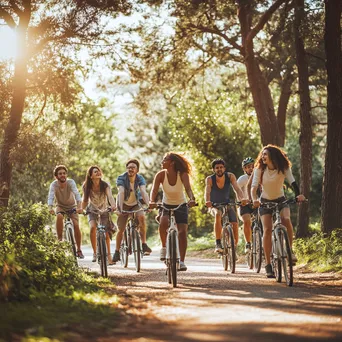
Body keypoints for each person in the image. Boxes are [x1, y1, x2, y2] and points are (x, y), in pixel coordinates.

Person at [251, 144, 306, 278]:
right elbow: (254, 187)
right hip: (264, 201)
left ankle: (290, 251)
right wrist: (254, 200)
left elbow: (293, 182)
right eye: (262, 154)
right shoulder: (260, 169)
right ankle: (268, 264)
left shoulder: (283, 167)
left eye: (265, 154)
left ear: (273, 156)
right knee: (268, 229)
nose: (263, 156)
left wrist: (298, 195)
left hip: (281, 200)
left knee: (286, 219)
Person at [149, 152, 196, 271]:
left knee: (182, 232)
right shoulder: (160, 175)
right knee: (163, 222)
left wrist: (191, 199)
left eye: (165, 160)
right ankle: (164, 248)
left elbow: (188, 189)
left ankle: (181, 261)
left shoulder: (183, 174)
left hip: (181, 204)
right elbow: (154, 191)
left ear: (172, 163)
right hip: (166, 204)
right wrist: (151, 201)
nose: (162, 162)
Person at [205, 158, 248, 254]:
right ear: (213, 169)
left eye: (221, 167)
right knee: (218, 214)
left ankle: (234, 249)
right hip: (214, 205)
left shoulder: (230, 176)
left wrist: (242, 199)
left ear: (224, 168)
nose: (219, 169)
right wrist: (207, 201)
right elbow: (207, 191)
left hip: (227, 204)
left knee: (235, 224)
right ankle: (218, 243)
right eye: (217, 168)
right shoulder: (210, 179)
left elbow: (237, 189)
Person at [113, 159, 152, 263]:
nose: (130, 169)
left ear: (137, 170)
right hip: (123, 204)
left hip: (135, 204)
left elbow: (143, 191)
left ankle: (143, 244)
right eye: (129, 167)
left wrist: (149, 205)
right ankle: (117, 252)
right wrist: (120, 208)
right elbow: (121, 192)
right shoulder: (121, 178)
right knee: (121, 229)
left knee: (142, 217)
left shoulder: (140, 178)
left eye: (133, 167)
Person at [82, 165, 116, 264]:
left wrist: (113, 205)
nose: (98, 173)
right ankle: (95, 252)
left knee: (106, 233)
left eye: (99, 171)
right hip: (92, 210)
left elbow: (110, 196)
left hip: (104, 209)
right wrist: (81, 209)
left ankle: (109, 257)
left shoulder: (105, 185)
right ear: (91, 176)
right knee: (93, 227)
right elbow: (84, 200)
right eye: (95, 172)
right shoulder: (86, 186)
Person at [47, 165, 84, 258]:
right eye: (60, 174)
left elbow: (77, 194)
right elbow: (50, 197)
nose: (62, 175)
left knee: (76, 224)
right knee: (59, 216)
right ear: (56, 176)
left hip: (72, 206)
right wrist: (50, 208)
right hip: (60, 206)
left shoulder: (71, 182)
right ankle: (60, 241)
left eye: (64, 173)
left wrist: (80, 207)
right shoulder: (54, 185)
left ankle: (79, 249)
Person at [237, 157, 255, 253]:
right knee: (247, 221)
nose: (251, 168)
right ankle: (248, 243)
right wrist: (241, 200)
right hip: (245, 204)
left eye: (252, 166)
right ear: (244, 169)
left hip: (256, 202)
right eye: (248, 167)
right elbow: (237, 190)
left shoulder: (259, 176)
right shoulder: (242, 179)